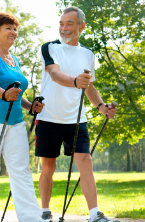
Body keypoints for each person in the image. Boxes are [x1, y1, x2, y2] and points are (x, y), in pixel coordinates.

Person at [35, 6, 119, 222]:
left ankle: (94, 214)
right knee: (48, 167)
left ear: (81, 26)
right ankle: (45, 213)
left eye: (69, 23)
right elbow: (54, 74)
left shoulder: (88, 54)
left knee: (86, 162)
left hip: (77, 120)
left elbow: (89, 87)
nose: (64, 28)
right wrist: (74, 82)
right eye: (61, 24)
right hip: (49, 118)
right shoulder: (49, 48)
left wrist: (102, 107)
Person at [0, 12, 50, 222]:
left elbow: (17, 94)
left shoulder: (14, 59)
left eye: (15, 29)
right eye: (8, 28)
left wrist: (30, 106)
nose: (14, 32)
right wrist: (4, 94)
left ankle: (31, 217)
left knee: (21, 170)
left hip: (15, 122)